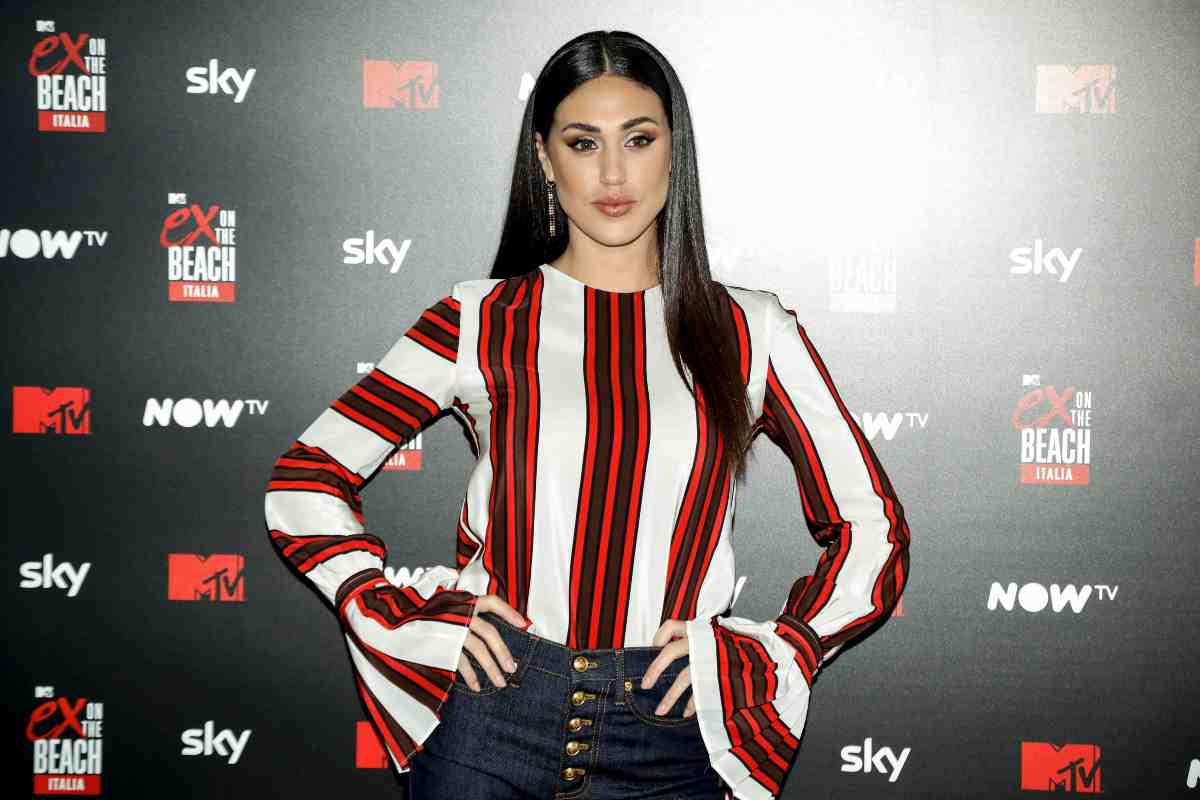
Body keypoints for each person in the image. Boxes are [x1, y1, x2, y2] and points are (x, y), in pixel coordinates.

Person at [264, 29, 910, 800]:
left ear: (675, 150)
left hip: (672, 737)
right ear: (545, 158)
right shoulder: (479, 318)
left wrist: (783, 651)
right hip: (487, 723)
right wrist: (396, 613)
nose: (612, 173)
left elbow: (872, 528)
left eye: (638, 139)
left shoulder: (752, 330)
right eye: (582, 142)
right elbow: (305, 482)